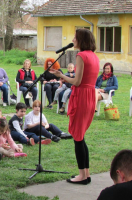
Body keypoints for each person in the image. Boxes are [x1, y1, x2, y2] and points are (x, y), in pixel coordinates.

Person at [51, 28, 100, 184]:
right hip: (90, 95)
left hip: (82, 97)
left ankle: (82, 176)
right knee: (81, 137)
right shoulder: (94, 56)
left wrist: (61, 76)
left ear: (81, 40)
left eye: (75, 37)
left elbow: (77, 81)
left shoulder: (81, 55)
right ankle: (86, 173)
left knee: (78, 138)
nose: (73, 39)